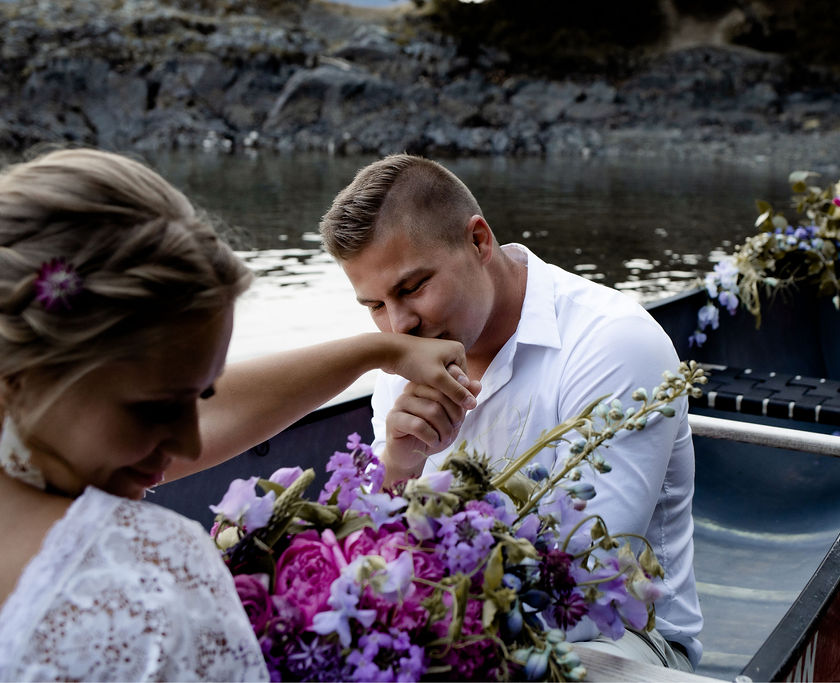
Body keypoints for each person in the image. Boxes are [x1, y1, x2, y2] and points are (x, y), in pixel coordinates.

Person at [0, 148, 476, 681]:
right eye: (155, 408)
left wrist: (378, 351)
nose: (186, 444)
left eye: (200, 397)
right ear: (23, 376)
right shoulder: (152, 576)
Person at [319, 154, 703, 671]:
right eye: (375, 305)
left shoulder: (612, 342)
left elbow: (576, 575)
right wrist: (399, 466)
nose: (398, 325)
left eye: (411, 288)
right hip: (450, 622)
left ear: (478, 241)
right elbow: (371, 552)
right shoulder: (403, 360)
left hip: (622, 643)